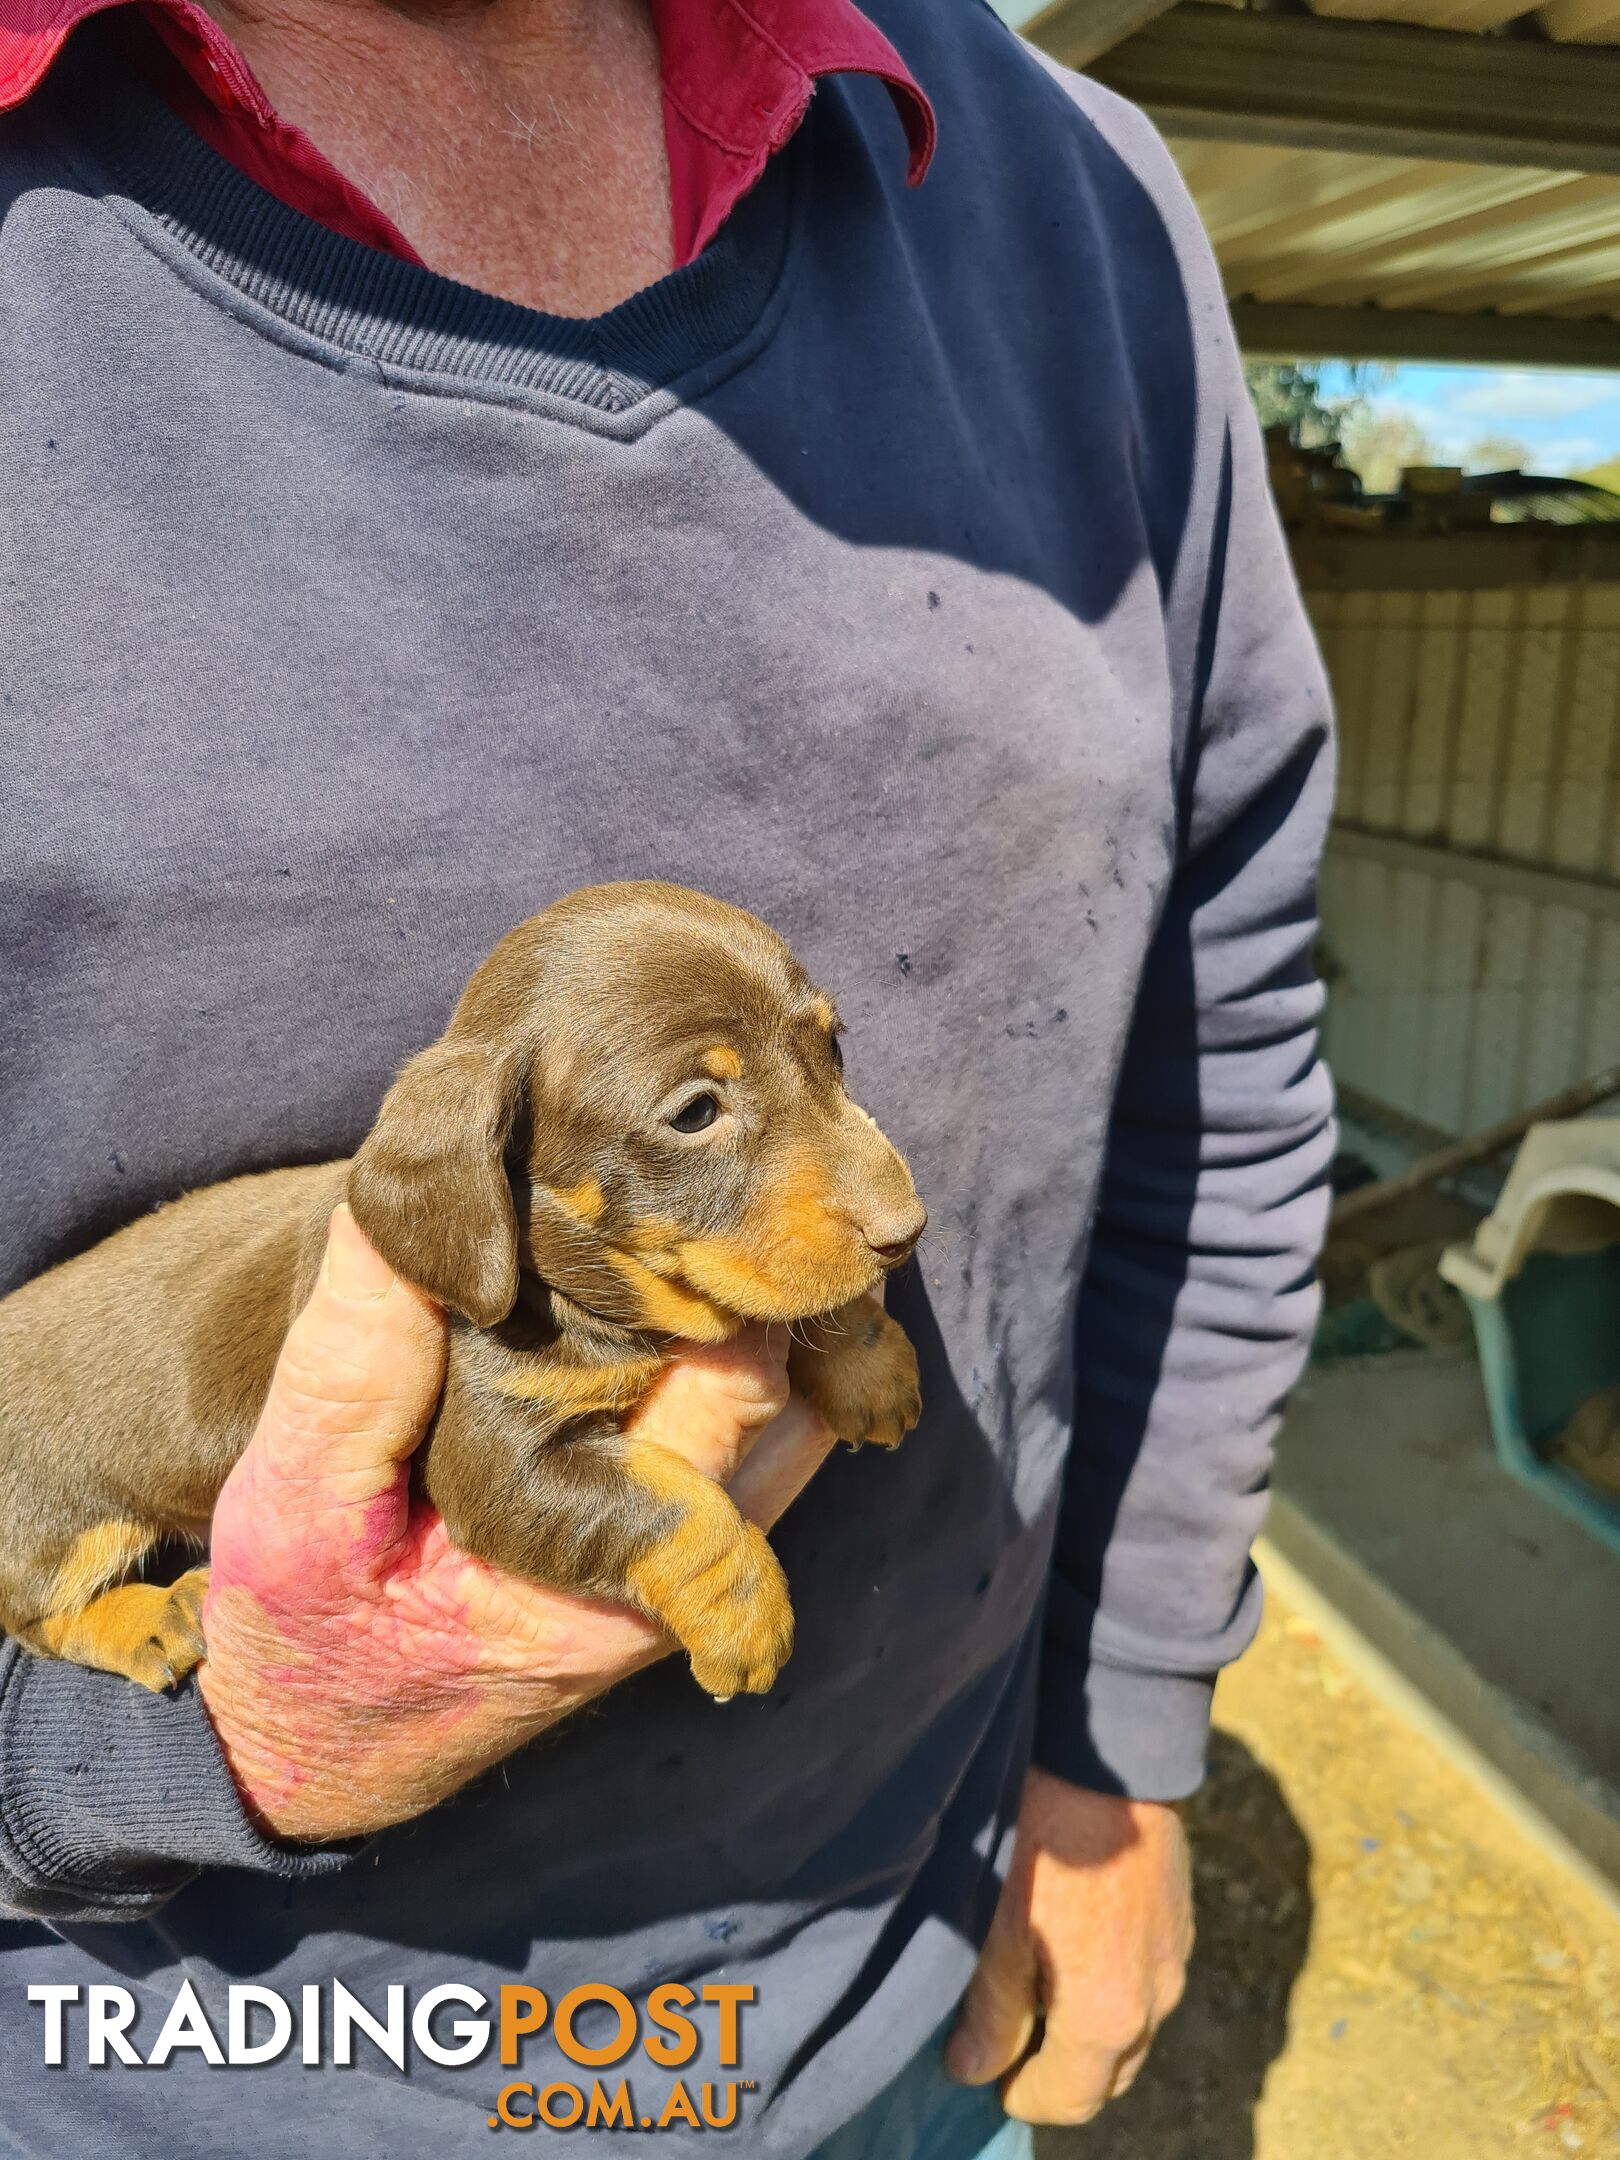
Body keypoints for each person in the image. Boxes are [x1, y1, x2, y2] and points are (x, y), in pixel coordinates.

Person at [0, 0, 1334, 2150]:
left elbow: (1227, 1032)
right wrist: (127, 1764)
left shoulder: (1072, 198)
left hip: (916, 1990)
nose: (883, 1197)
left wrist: (1117, 1741)